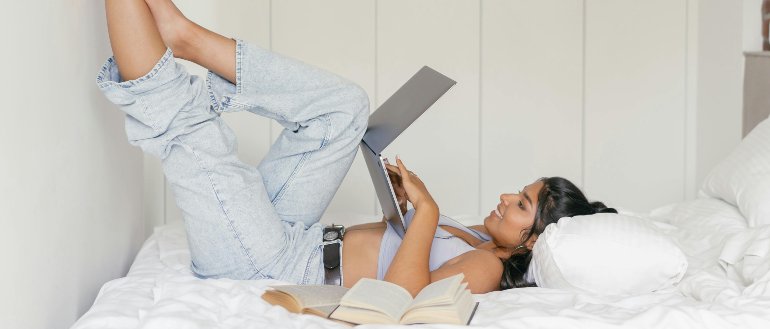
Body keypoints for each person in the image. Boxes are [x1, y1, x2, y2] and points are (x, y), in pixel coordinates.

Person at [99, 0, 616, 297]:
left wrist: (428, 211)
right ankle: (184, 37)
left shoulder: (488, 267)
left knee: (195, 138)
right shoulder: (483, 235)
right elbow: (400, 251)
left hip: (276, 265)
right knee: (344, 107)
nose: (506, 196)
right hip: (299, 236)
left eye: (521, 205)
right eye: (520, 192)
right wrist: (407, 214)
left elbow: (402, 299)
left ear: (530, 242)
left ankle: (166, 83)